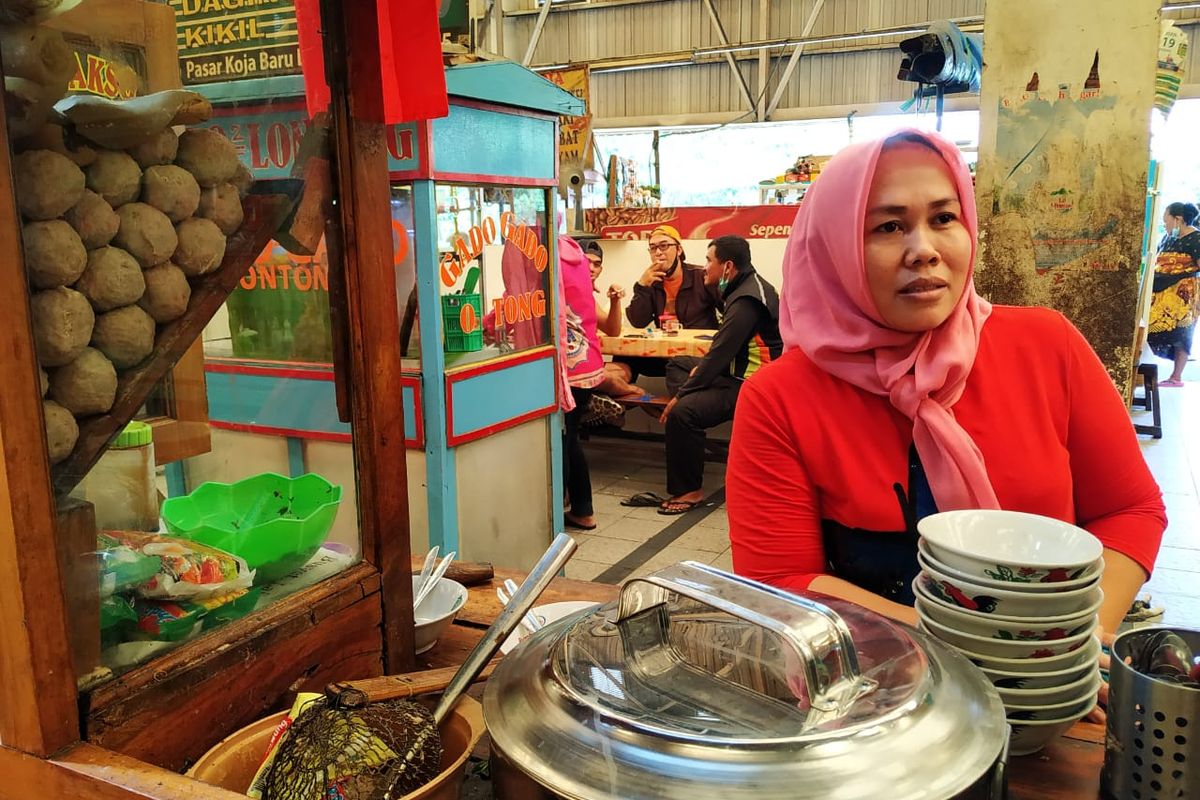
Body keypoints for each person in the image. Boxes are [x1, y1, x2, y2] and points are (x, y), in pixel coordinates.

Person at [726, 130, 1164, 659]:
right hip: (876, 684)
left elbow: (1131, 509)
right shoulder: (781, 396)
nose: (924, 251)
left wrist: (1070, 641)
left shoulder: (1047, 346)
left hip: (1053, 683)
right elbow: (780, 575)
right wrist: (971, 649)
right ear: (834, 247)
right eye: (888, 226)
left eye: (943, 218)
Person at [658, 234, 782, 514]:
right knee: (677, 363)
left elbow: (719, 354)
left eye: (708, 261)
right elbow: (719, 353)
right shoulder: (745, 287)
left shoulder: (747, 301)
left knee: (683, 413)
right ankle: (693, 402)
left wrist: (683, 394)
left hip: (752, 385)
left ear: (727, 267)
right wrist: (697, 376)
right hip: (731, 373)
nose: (704, 267)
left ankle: (689, 491)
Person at [607, 225, 722, 394]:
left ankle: (648, 402)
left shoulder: (700, 276)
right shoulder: (652, 281)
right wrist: (642, 286)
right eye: (653, 248)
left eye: (664, 246)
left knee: (678, 366)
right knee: (624, 355)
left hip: (695, 354)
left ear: (679, 250)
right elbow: (637, 321)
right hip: (663, 354)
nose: (658, 252)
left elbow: (729, 308)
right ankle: (617, 404)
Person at [557, 236, 606, 531]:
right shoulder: (579, 273)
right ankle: (581, 508)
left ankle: (572, 509)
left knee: (564, 439)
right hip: (590, 366)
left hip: (571, 370)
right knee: (569, 438)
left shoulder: (552, 268)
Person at [1148, 201, 1200, 387]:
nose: (1165, 226)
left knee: (1181, 334)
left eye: (1166, 221)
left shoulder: (1196, 239)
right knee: (1149, 331)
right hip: (1159, 294)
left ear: (1178, 219)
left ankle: (1176, 377)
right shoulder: (1168, 238)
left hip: (1182, 297)